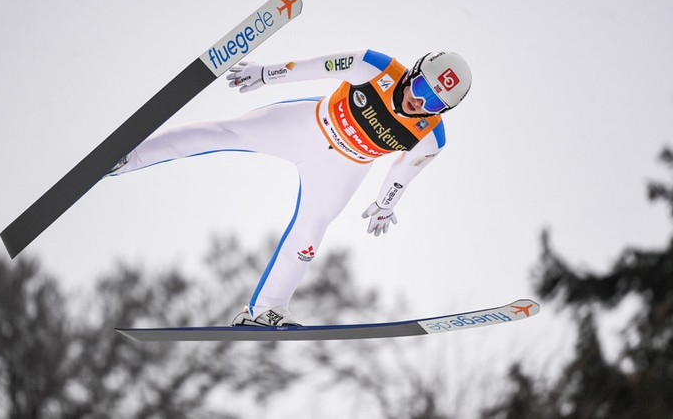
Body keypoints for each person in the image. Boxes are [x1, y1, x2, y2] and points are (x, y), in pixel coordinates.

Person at [107, 49, 472, 326]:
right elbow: (317, 66)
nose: (420, 102)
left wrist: (385, 204)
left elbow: (402, 173)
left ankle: (266, 309)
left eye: (436, 101)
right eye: (423, 88)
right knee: (221, 133)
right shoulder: (375, 66)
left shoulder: (430, 137)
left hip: (343, 167)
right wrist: (266, 75)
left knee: (311, 232)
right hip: (306, 125)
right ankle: (128, 157)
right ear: (413, 72)